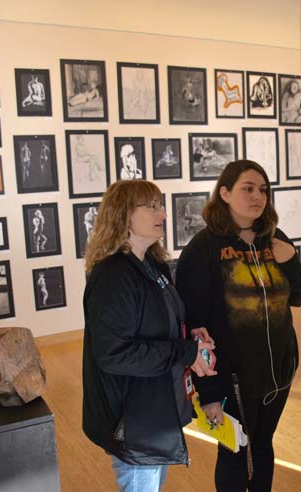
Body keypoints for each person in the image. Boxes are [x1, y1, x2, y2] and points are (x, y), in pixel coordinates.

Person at [176, 160, 301, 492]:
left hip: (278, 372)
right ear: (225, 193)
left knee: (263, 444)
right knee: (235, 450)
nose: (257, 196)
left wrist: (290, 259)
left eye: (263, 190)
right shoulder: (203, 249)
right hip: (232, 377)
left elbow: (300, 296)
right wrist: (210, 392)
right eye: (247, 188)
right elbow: (194, 326)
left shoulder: (275, 240)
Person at [82, 179, 217, 492]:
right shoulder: (114, 275)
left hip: (154, 410)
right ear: (124, 214)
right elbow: (114, 353)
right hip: (134, 419)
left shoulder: (152, 265)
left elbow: (158, 322)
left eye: (161, 205)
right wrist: (185, 352)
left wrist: (190, 336)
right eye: (152, 206)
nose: (164, 214)